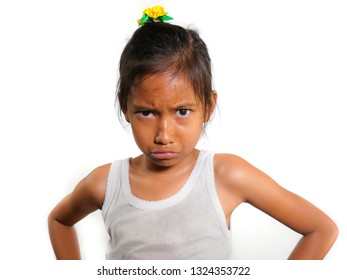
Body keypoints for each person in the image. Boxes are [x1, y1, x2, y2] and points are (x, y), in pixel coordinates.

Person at [48, 6, 338, 260]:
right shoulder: (106, 183)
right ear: (126, 107)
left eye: (182, 112)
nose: (164, 134)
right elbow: (59, 221)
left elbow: (321, 230)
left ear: (208, 106)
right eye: (147, 112)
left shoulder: (224, 174)